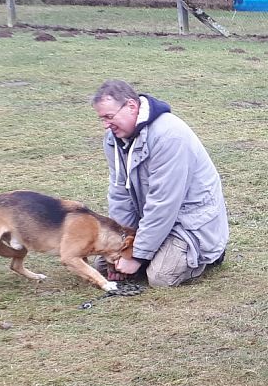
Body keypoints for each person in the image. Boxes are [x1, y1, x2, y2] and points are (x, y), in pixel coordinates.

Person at [91, 79, 229, 288]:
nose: (106, 125)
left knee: (160, 277)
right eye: (102, 119)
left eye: (109, 117)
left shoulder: (169, 135)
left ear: (131, 106)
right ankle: (152, 252)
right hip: (152, 220)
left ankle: (210, 255)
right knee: (104, 266)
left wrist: (135, 257)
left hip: (189, 225)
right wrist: (121, 245)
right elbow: (119, 194)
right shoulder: (113, 140)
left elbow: (163, 203)